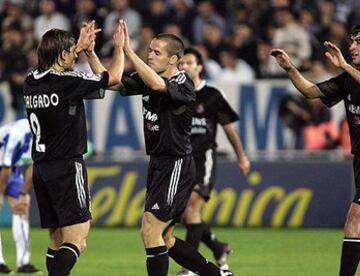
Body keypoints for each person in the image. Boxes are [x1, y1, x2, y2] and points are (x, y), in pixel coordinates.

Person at [271, 22, 360, 275]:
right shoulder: (349, 79)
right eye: (352, 41)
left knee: (354, 221)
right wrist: (290, 68)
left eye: (359, 42)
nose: (352, 46)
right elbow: (310, 91)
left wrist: (345, 66)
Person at [104, 20, 232, 276]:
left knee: (150, 230)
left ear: (173, 59)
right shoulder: (150, 77)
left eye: (156, 52)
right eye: (149, 51)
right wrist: (99, 52)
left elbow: (157, 86)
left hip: (176, 164)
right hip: (158, 163)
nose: (150, 55)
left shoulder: (183, 83)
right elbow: (112, 81)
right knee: (167, 237)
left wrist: (130, 52)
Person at [23, 20, 125, 276]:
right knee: (77, 240)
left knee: (56, 241)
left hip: (42, 169)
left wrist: (77, 47)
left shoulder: (30, 81)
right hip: (67, 167)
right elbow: (113, 79)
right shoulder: (67, 82)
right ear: (62, 54)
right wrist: (119, 48)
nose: (74, 56)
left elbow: (56, 70)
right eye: (70, 52)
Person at [175, 48, 250, 276]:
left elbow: (229, 129)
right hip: (181, 160)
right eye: (182, 63)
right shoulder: (174, 93)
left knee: (191, 207)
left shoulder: (212, 96)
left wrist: (241, 155)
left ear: (199, 67)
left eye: (189, 62)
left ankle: (188, 269)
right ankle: (219, 248)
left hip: (203, 157)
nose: (184, 66)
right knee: (188, 215)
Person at [0, 119, 41, 274]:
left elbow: (34, 164)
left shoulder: (42, 132)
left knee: (22, 209)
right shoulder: (17, 133)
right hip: (5, 167)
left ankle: (23, 263)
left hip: (13, 169)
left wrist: (24, 194)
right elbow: (6, 166)